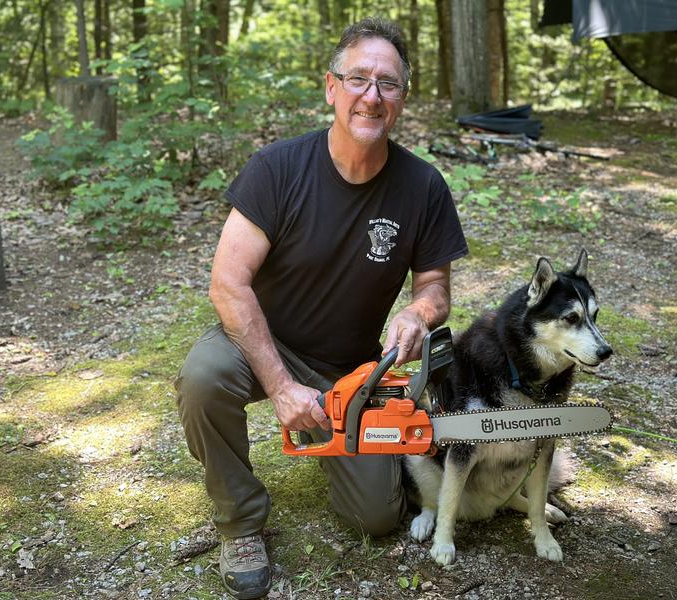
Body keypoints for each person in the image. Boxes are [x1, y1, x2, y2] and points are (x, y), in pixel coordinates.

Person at [175, 16, 468, 600]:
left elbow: (435, 282)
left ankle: (332, 440)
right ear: (331, 87)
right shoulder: (277, 169)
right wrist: (281, 388)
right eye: (358, 79)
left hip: (352, 366)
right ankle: (240, 523)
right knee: (202, 379)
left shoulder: (423, 186)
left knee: (377, 518)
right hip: (262, 339)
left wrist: (418, 314)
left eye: (388, 84)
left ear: (402, 100)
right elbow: (228, 284)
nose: (372, 95)